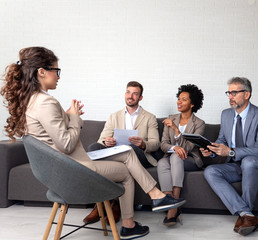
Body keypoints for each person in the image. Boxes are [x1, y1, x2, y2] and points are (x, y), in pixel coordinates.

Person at [0, 47, 186, 240]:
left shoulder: (30, 101)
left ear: (140, 97)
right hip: (74, 169)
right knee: (126, 172)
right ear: (41, 71)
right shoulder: (46, 102)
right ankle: (131, 222)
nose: (58, 76)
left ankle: (156, 196)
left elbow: (52, 133)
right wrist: (74, 118)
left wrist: (68, 115)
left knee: (128, 153)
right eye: (56, 70)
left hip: (60, 169)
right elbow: (66, 144)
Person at [200, 77, 258, 236]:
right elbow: (222, 140)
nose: (230, 96)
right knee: (210, 171)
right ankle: (247, 215)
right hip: (237, 165)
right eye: (229, 92)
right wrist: (212, 149)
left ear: (247, 94)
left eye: (234, 92)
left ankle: (246, 215)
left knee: (249, 161)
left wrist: (231, 152)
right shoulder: (226, 114)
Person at [83, 81, 161, 224]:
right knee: (93, 147)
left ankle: (107, 206)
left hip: (138, 155)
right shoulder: (114, 116)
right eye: (128, 92)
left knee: (132, 150)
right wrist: (107, 142)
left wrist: (143, 144)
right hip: (115, 154)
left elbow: (155, 143)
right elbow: (101, 140)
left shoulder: (150, 117)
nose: (130, 96)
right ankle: (107, 205)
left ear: (140, 97)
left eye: (134, 93)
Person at [157, 84, 205, 226]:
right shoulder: (171, 118)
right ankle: (168, 200)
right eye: (179, 99)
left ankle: (174, 206)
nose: (179, 102)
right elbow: (163, 144)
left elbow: (188, 148)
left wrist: (176, 130)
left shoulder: (199, 124)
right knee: (161, 162)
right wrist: (174, 147)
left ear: (192, 104)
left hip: (191, 160)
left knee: (176, 156)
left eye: (184, 99)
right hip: (172, 157)